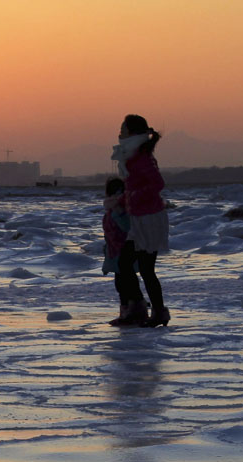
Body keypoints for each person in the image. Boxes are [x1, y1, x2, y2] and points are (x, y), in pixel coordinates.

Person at [109, 114, 170, 327]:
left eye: (123, 128)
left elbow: (157, 184)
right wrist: (121, 200)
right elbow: (134, 187)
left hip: (149, 219)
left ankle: (158, 312)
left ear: (132, 132)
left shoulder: (141, 157)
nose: (119, 132)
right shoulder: (131, 155)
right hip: (138, 218)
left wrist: (133, 197)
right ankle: (137, 307)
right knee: (125, 264)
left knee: (145, 268)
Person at [102, 177, 133, 321]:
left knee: (124, 281)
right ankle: (127, 308)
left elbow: (126, 227)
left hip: (123, 249)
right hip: (114, 251)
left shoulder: (119, 210)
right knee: (121, 282)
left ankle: (130, 308)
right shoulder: (111, 210)